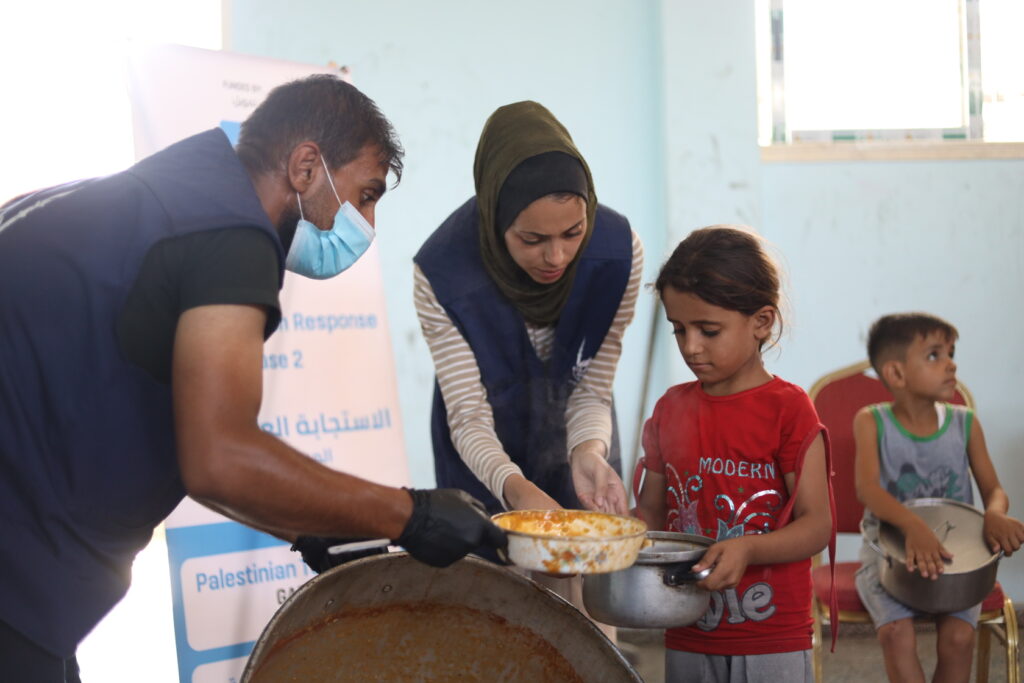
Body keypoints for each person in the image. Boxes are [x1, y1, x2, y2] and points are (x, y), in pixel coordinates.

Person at [0, 74, 506, 682]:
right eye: (365, 195)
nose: (367, 224)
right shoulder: (228, 231)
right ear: (305, 167)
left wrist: (315, 523)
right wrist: (410, 513)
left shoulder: (171, 195)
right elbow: (221, 457)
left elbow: (198, 453)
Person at [412, 100, 641, 612]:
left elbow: (592, 386)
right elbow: (468, 416)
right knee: (494, 615)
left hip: (580, 432)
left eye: (572, 233)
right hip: (481, 452)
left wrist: (587, 452)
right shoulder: (443, 274)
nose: (556, 257)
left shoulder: (617, 254)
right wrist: (513, 489)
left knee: (587, 614)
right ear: (496, 219)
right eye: (532, 239)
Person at [635, 226, 835, 683]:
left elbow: (816, 525)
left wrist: (749, 547)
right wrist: (605, 529)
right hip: (686, 625)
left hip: (770, 639)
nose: (690, 347)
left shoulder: (788, 409)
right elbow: (650, 513)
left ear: (762, 322)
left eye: (708, 330)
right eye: (679, 329)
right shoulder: (670, 408)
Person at [853, 312, 1024, 683]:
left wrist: (995, 513)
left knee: (959, 638)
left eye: (951, 352)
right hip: (889, 555)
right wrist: (912, 525)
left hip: (956, 556)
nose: (952, 363)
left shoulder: (965, 422)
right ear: (896, 374)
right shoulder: (871, 421)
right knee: (896, 634)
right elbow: (867, 490)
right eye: (934, 355)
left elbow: (993, 490)